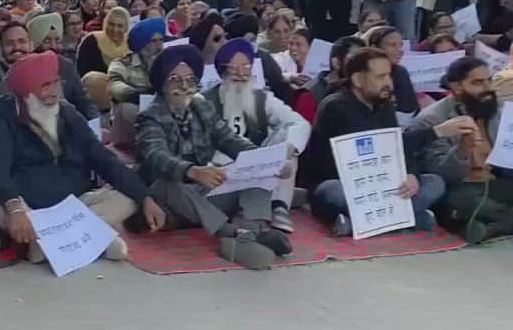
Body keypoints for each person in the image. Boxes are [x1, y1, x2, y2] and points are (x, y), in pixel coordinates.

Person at [0, 52, 165, 262]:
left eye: (56, 83)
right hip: (30, 206)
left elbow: (101, 157)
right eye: (45, 86)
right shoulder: (0, 118)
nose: (54, 92)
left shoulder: (66, 111)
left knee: (128, 199)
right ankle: (93, 237)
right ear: (26, 92)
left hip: (75, 203)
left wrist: (145, 197)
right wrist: (14, 209)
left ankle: (48, 244)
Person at [134, 46, 290, 270]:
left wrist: (268, 161)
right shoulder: (149, 116)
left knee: (255, 171)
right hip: (170, 196)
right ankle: (230, 234)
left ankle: (252, 232)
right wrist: (193, 171)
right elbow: (156, 156)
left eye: (189, 79)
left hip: (203, 191)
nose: (184, 86)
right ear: (162, 84)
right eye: (175, 79)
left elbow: (230, 140)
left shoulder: (201, 106)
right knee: (168, 183)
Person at [298, 48, 473, 236]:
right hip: (346, 183)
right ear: (357, 80)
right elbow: (377, 146)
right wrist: (437, 131)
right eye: (380, 77)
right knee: (332, 191)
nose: (388, 83)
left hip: (382, 183)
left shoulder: (384, 104)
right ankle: (406, 218)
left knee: (434, 182)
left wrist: (410, 174)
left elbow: (398, 147)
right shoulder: (335, 106)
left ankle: (359, 223)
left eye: (389, 76)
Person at [201, 40, 311, 233]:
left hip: (257, 168)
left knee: (289, 140)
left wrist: (288, 148)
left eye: (246, 67)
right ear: (222, 71)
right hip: (220, 172)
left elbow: (299, 123)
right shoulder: (203, 101)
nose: (241, 74)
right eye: (233, 68)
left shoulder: (262, 98)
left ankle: (279, 206)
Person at [413, 57, 513, 243]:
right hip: (460, 188)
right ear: (457, 87)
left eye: (489, 80)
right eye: (478, 83)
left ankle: (488, 227)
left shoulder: (496, 110)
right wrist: (462, 150)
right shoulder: (431, 120)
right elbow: (438, 173)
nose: (488, 88)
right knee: (467, 203)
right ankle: (486, 224)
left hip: (495, 182)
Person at [0, 23, 98, 122]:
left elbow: (85, 103)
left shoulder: (58, 64)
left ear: (31, 45)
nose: (16, 47)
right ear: (1, 48)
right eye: (9, 43)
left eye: (22, 41)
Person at [108, 18, 168, 151]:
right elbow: (115, 86)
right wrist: (139, 95)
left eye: (161, 40)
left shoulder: (168, 62)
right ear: (141, 44)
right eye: (153, 41)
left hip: (165, 113)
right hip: (136, 115)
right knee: (125, 108)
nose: (159, 46)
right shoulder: (122, 64)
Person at [363, 25, 421, 115]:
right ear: (375, 48)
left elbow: (411, 108)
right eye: (393, 45)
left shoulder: (401, 72)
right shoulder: (363, 74)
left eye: (400, 45)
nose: (400, 50)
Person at [76, 6, 130, 77]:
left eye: (120, 26)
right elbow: (82, 72)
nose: (115, 29)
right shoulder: (92, 40)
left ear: (126, 27)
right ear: (105, 23)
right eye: (111, 24)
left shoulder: (132, 43)